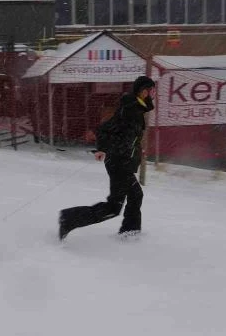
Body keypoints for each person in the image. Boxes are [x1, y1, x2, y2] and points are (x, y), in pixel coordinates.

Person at [59, 75, 156, 241]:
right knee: (113, 207)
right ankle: (69, 219)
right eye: (149, 90)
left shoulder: (135, 108)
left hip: (123, 162)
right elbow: (108, 131)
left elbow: (121, 135)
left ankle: (130, 230)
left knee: (136, 195)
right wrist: (105, 149)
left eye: (153, 90)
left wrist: (132, 150)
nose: (152, 94)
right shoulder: (129, 109)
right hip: (119, 163)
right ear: (141, 91)